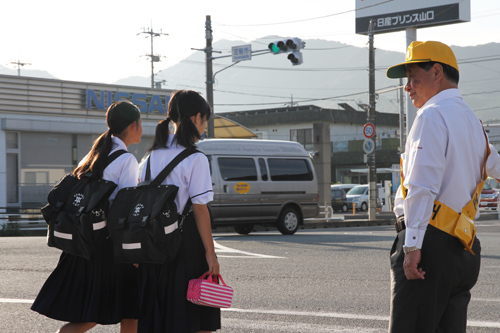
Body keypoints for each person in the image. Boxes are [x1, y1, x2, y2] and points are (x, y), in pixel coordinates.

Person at [386, 41, 500, 333]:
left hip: (428, 246)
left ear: (436, 72)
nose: (407, 87)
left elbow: (422, 186)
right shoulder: (474, 122)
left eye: (413, 78)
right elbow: (496, 167)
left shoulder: (431, 115)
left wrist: (411, 246)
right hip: (463, 248)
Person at [31, 100, 143, 333]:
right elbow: (125, 210)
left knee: (101, 312)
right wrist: (133, 253)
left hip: (82, 244)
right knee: (128, 310)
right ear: (133, 125)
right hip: (108, 251)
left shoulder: (92, 155)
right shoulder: (126, 160)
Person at [138, 90, 220, 333]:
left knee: (160, 319)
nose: (204, 126)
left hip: (154, 246)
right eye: (205, 120)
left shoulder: (150, 156)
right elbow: (199, 208)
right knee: (195, 317)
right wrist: (211, 254)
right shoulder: (195, 159)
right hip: (187, 247)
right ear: (196, 118)